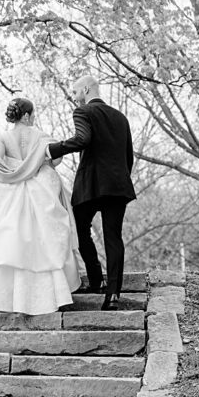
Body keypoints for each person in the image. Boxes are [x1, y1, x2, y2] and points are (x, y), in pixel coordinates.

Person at [0, 96, 80, 315]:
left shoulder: (3, 137)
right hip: (39, 194)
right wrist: (35, 164)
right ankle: (54, 295)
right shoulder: (41, 137)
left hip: (11, 197)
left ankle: (1, 299)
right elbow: (56, 161)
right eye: (33, 115)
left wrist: (14, 170)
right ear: (28, 115)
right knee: (43, 242)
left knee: (9, 242)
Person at [47, 75, 135, 310]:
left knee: (79, 228)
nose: (75, 98)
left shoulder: (83, 112)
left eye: (75, 92)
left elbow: (82, 139)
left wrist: (52, 149)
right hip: (118, 185)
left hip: (91, 185)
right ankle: (113, 294)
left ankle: (96, 280)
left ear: (86, 89)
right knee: (113, 237)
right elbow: (129, 156)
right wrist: (120, 177)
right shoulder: (121, 117)